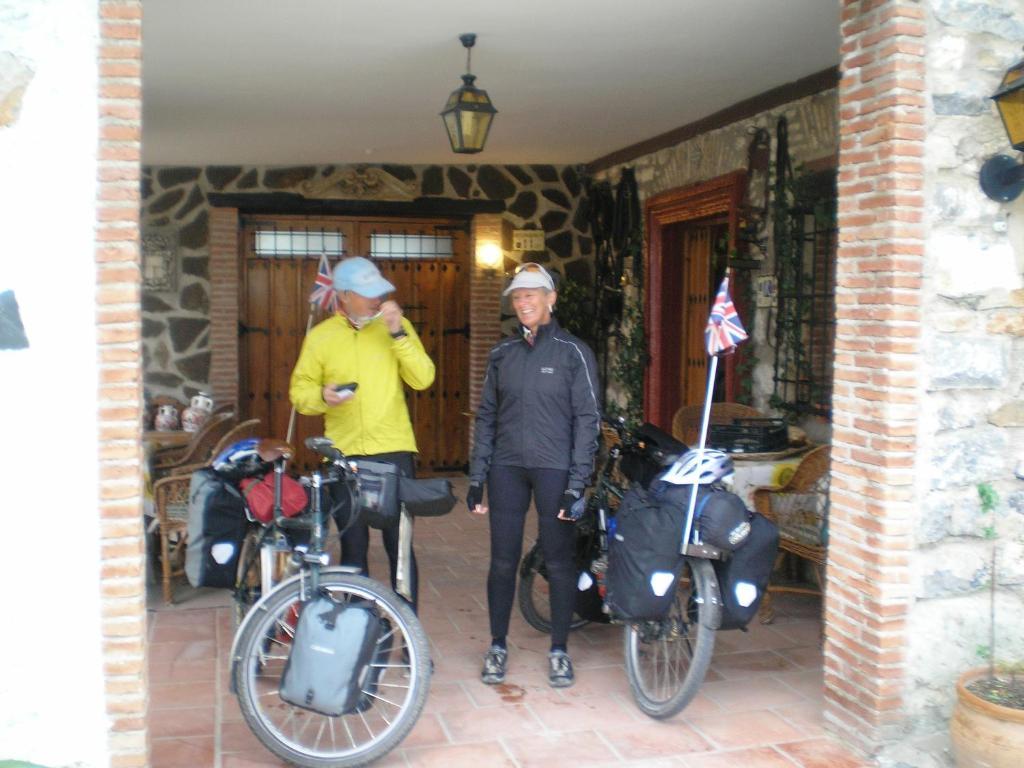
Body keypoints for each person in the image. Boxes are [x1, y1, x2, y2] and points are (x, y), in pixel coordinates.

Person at [467, 262, 601, 688]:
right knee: (502, 561)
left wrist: (578, 483)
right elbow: (486, 416)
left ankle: (559, 650)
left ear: (551, 299)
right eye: (517, 296)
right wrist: (476, 476)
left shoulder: (573, 352)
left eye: (531, 294)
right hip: (507, 468)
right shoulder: (501, 355)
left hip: (555, 471)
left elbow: (588, 420)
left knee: (559, 562)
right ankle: (497, 644)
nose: (522, 301)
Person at [290, 256, 435, 611]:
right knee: (353, 548)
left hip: (394, 453)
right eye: (367, 293)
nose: (377, 299)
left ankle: (409, 634)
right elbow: (299, 392)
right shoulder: (321, 337)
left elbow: (424, 378)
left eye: (379, 292)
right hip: (344, 457)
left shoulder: (396, 327)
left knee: (398, 548)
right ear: (343, 296)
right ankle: (359, 630)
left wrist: (398, 332)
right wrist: (322, 396)